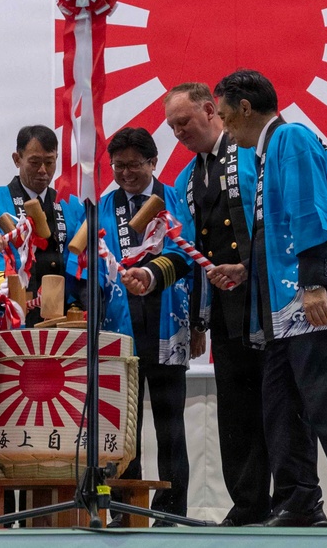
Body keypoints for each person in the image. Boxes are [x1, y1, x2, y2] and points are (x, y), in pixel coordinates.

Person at [207, 69, 327, 528]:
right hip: (281, 306)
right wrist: (247, 269)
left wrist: (313, 283)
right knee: (280, 404)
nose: (223, 121)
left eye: (224, 111)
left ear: (246, 108)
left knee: (324, 399)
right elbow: (272, 230)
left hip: (307, 298)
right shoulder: (268, 149)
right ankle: (298, 498)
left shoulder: (290, 138)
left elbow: (309, 212)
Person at [164, 83, 271, 526]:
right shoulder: (186, 180)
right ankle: (247, 503)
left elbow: (271, 221)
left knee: (277, 404)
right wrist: (195, 321)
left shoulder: (250, 153)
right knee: (234, 407)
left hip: (264, 301)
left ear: (211, 110)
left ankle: (291, 498)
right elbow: (190, 254)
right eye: (171, 127)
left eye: (183, 122)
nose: (177, 133)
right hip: (223, 310)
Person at [94, 127, 195, 525]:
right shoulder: (103, 207)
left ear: (153, 162)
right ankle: (124, 509)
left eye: (134, 165)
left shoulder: (173, 199)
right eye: (118, 166)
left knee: (171, 421)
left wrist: (200, 321)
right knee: (121, 427)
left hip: (167, 320)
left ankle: (172, 510)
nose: (125, 173)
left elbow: (186, 254)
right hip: (119, 326)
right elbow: (88, 266)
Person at [0, 124, 84, 355]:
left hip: (58, 312)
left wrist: (77, 300)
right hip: (8, 307)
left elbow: (79, 261)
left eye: (50, 161)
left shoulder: (71, 205)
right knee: (7, 387)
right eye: (35, 162)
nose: (43, 170)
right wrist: (3, 287)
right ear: (17, 159)